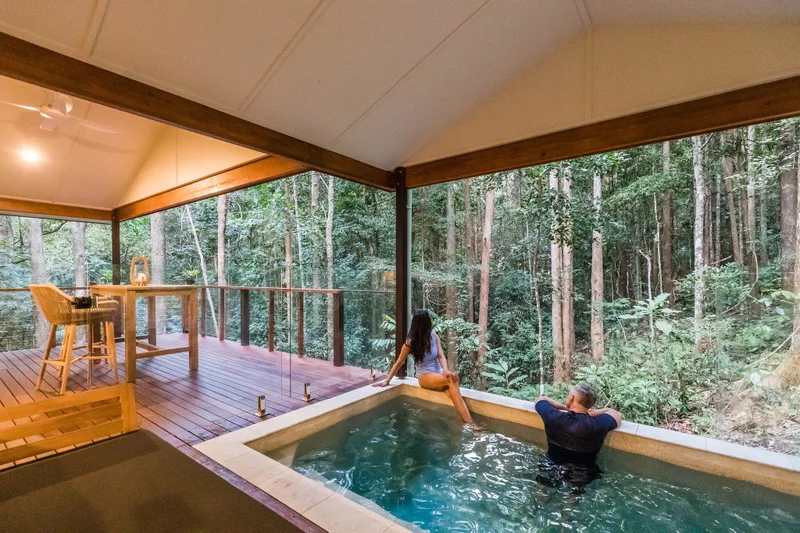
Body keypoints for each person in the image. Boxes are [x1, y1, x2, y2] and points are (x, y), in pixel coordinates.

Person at [374, 309, 473, 424]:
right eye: (429, 320)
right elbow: (400, 362)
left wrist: (445, 370)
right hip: (425, 377)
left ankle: (466, 423)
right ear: (425, 323)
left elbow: (441, 356)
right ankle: (471, 424)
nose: (431, 322)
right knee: (452, 379)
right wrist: (387, 380)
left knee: (453, 384)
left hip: (439, 375)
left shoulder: (434, 337)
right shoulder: (410, 342)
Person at [534, 383, 622, 492]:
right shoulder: (599, 424)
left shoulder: (554, 417)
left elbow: (540, 399)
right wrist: (591, 413)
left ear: (571, 398)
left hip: (552, 464)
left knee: (543, 491)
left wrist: (564, 407)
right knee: (572, 499)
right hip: (582, 473)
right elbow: (616, 414)